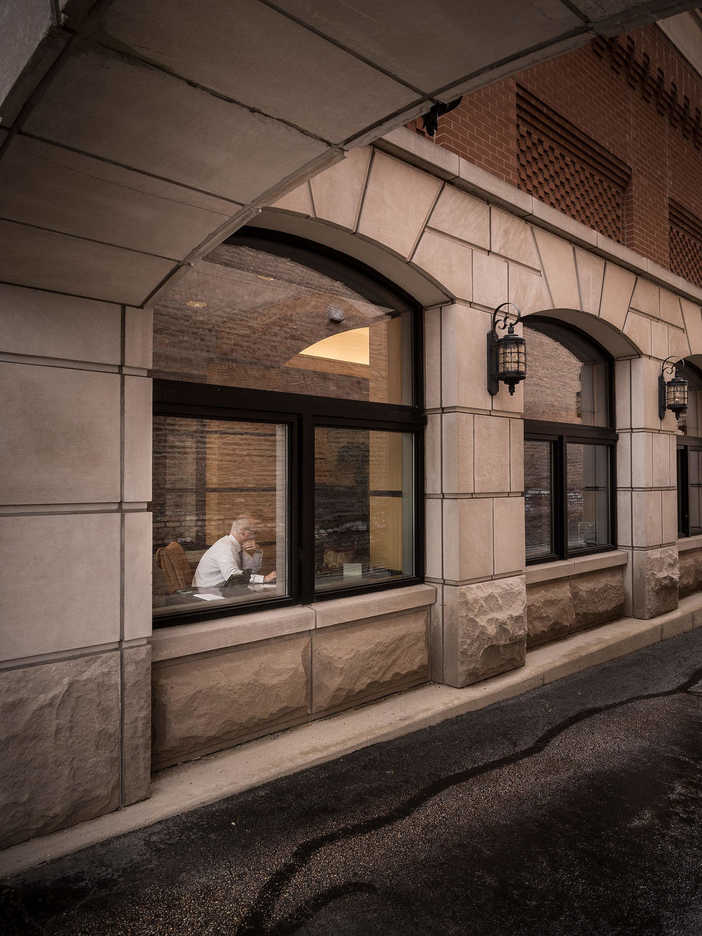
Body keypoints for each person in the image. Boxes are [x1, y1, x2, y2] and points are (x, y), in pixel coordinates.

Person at [193, 517, 277, 587]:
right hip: (208, 592)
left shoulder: (238, 546)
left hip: (223, 588)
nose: (256, 536)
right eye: (254, 532)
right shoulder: (225, 547)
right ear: (243, 532)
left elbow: (253, 570)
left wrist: (257, 552)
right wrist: (264, 579)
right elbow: (233, 576)